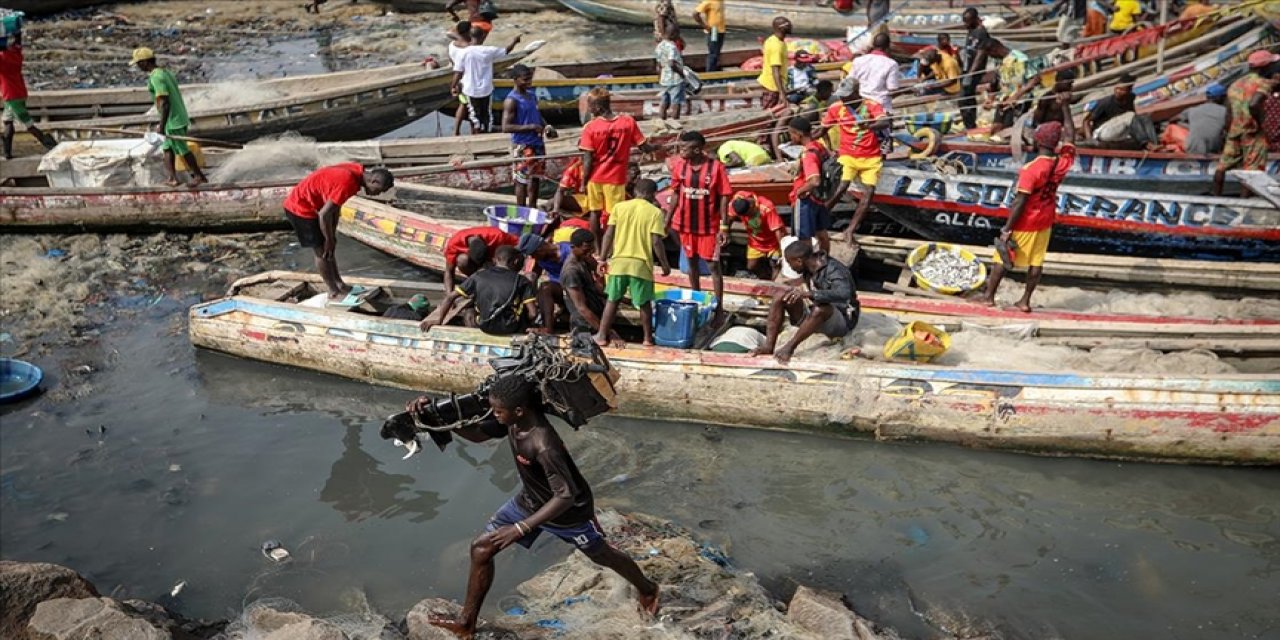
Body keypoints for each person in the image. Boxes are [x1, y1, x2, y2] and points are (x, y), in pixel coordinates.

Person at [420, 374, 660, 639]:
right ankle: (466, 624)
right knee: (481, 548)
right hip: (530, 501)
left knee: (601, 555)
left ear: (519, 410)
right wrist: (436, 418)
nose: (493, 414)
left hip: (569, 513)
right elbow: (478, 435)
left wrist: (520, 528)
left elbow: (565, 495)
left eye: (498, 411)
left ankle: (648, 589)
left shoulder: (543, 444)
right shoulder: (513, 422)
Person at [980, 105, 1076, 313]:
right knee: (1036, 262)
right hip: (1046, 219)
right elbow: (1071, 136)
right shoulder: (1062, 163)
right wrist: (1065, 107)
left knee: (1002, 256)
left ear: (1037, 141)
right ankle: (1024, 301)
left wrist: (1007, 229)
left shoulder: (1031, 169)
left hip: (1027, 221)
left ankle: (988, 298)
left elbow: (1020, 202)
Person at [283, 164, 394, 300]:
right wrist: (328, 239)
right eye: (380, 190)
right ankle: (333, 291)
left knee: (329, 248)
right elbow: (324, 214)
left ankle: (340, 284)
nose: (378, 194)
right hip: (300, 208)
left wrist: (332, 235)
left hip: (316, 207)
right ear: (374, 181)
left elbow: (335, 206)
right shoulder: (348, 182)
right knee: (322, 252)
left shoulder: (356, 171)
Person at [752, 241, 859, 364]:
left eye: (789, 263)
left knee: (821, 309)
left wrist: (809, 294)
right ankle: (768, 346)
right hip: (816, 314)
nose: (790, 267)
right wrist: (783, 287)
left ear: (799, 261)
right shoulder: (809, 266)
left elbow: (844, 293)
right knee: (780, 296)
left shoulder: (835, 270)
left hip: (842, 320)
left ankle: (789, 348)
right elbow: (800, 281)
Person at [595, 179, 671, 347]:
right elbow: (656, 242)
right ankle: (647, 339)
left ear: (635, 191)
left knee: (612, 300)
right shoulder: (655, 212)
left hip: (619, 262)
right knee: (644, 303)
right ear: (653, 194)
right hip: (641, 265)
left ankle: (601, 335)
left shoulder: (619, 207)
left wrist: (602, 258)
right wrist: (664, 264)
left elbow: (608, 234)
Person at [666, 130, 732, 315]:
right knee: (691, 264)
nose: (680, 151)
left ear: (696, 150)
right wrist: (667, 219)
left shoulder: (716, 168)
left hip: (709, 227)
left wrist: (724, 227)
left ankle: (719, 308)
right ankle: (696, 300)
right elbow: (676, 193)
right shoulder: (680, 166)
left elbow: (724, 197)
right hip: (686, 225)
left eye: (684, 148)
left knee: (713, 266)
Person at [820, 79, 890, 246]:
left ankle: (850, 230)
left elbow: (885, 122)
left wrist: (870, 125)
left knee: (869, 193)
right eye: (841, 96)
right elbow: (822, 130)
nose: (842, 99)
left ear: (856, 93)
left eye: (846, 96)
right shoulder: (836, 108)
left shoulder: (872, 105)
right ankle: (820, 217)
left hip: (871, 156)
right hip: (848, 155)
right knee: (841, 187)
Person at [579, 88, 651, 248]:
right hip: (616, 178)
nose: (588, 109)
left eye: (590, 106)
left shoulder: (590, 127)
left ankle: (598, 249)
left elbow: (588, 159)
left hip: (595, 178)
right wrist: (657, 148)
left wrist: (584, 182)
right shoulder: (628, 122)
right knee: (615, 216)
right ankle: (614, 248)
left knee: (595, 213)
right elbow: (644, 146)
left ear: (598, 108)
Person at [131, 48, 208, 187]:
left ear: (144, 62)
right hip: (174, 117)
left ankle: (199, 176)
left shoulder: (156, 77)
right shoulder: (165, 72)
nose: (137, 67)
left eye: (138, 63)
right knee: (167, 148)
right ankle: (173, 178)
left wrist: (162, 125)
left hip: (173, 119)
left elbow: (165, 103)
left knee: (182, 149)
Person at [425, 245, 536, 335]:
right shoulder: (522, 280)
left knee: (469, 311)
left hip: (484, 326)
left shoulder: (478, 276)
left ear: (495, 260)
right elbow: (533, 313)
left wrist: (439, 320)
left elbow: (450, 297)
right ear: (516, 261)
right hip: (511, 328)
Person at [1214, 51, 1279, 195]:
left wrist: (1228, 131)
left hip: (1235, 131)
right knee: (1252, 171)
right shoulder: (1263, 83)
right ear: (1265, 67)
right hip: (1253, 132)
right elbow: (1254, 104)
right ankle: (1244, 201)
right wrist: (1261, 123)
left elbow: (1229, 112)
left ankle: (1215, 197)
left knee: (1222, 167)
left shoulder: (1235, 84)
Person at [502, 64, 554, 208]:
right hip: (522, 144)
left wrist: (547, 127)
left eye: (530, 79)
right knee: (521, 180)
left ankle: (532, 208)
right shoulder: (511, 100)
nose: (529, 82)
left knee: (535, 178)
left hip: (537, 142)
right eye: (525, 80)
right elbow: (506, 127)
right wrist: (531, 127)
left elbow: (537, 115)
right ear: (515, 79)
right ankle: (521, 210)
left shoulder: (531, 95)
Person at [453, 27, 521, 134]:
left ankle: (477, 133)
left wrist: (453, 86)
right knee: (487, 114)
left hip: (471, 89)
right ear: (483, 36)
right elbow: (506, 50)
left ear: (470, 36)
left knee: (474, 115)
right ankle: (486, 132)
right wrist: (514, 41)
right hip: (486, 88)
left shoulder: (463, 53)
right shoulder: (489, 51)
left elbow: (458, 72)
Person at [0, 33, 56, 159]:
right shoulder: (16, 55)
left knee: (28, 124)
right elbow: (17, 45)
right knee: (7, 121)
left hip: (11, 96)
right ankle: (7, 152)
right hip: (19, 93)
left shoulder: (3, 61)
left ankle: (50, 144)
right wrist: (16, 35)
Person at [558, 229, 619, 342]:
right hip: (585, 325)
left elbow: (597, 285)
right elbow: (581, 308)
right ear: (573, 247)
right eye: (586, 249)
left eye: (592, 248)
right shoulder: (571, 271)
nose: (591, 252)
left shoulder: (584, 259)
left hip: (597, 314)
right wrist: (606, 332)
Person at [786, 117, 832, 254]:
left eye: (791, 133)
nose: (790, 137)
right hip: (819, 198)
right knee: (822, 233)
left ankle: (808, 264)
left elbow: (814, 180)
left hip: (806, 200)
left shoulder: (809, 154)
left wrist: (800, 191)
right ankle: (824, 259)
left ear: (798, 134)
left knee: (804, 239)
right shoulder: (819, 146)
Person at [983, 39, 1038, 142]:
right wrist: (990, 98)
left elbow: (1034, 80)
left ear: (995, 50)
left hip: (1020, 100)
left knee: (1008, 133)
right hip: (1004, 100)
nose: (991, 57)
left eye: (990, 55)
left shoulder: (1020, 58)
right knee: (995, 131)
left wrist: (1015, 97)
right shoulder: (999, 60)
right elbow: (996, 80)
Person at [518, 231, 572, 333]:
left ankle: (548, 328)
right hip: (560, 290)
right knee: (539, 289)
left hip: (574, 287)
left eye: (534, 255)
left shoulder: (568, 251)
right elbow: (535, 274)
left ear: (540, 249)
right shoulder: (541, 259)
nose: (534, 258)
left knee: (545, 287)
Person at [726, 191, 788, 280]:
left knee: (775, 264)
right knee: (751, 266)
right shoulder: (736, 202)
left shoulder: (767, 207)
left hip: (773, 242)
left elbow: (778, 230)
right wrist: (725, 231)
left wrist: (784, 250)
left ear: (752, 206)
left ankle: (773, 283)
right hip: (755, 241)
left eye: (748, 214)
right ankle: (765, 278)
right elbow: (730, 217)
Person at [442, 226, 520, 293]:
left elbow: (518, 244)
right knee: (462, 260)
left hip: (495, 263)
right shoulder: (454, 244)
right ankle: (478, 282)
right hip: (476, 264)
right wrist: (449, 295)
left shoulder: (497, 235)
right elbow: (449, 271)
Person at [847, 32, 899, 112]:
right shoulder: (891, 64)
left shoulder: (858, 60)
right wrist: (907, 91)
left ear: (873, 45)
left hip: (861, 105)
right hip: (881, 107)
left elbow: (849, 82)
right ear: (888, 47)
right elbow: (892, 89)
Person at [959, 8, 992, 132]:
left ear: (974, 19)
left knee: (964, 98)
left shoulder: (981, 33)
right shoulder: (971, 30)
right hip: (966, 69)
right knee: (966, 98)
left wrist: (971, 74)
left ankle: (970, 126)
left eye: (967, 21)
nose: (965, 24)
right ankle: (969, 124)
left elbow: (980, 55)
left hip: (974, 71)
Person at [1083, 73, 1136, 141]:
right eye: (1117, 88)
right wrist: (1090, 139)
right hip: (1103, 132)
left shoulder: (1130, 97)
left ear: (1129, 90)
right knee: (1131, 115)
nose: (1118, 91)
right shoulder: (1105, 102)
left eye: (1122, 90)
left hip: (1117, 130)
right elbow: (1086, 121)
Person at [1177, 83, 1227, 154]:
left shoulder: (1193, 109)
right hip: (1212, 151)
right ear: (1220, 98)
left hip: (1191, 150)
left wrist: (1188, 126)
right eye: (1225, 97)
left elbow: (1173, 119)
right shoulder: (1225, 112)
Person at [757, 17, 792, 112]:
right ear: (780, 28)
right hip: (772, 87)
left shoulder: (774, 40)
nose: (790, 26)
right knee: (770, 113)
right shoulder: (776, 46)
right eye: (787, 24)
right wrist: (781, 93)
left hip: (774, 85)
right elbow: (775, 71)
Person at [448, 20, 475, 137]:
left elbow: (451, 62)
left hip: (458, 79)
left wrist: (454, 84)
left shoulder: (451, 45)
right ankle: (472, 130)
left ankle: (457, 131)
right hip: (468, 79)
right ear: (468, 31)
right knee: (470, 105)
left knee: (464, 104)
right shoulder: (468, 48)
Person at [655, 22, 686, 121]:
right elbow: (672, 63)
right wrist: (682, 73)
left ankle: (662, 120)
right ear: (674, 34)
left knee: (664, 101)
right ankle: (675, 122)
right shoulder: (672, 47)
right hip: (675, 79)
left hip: (664, 79)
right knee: (676, 102)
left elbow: (658, 65)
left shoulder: (659, 46)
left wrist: (660, 77)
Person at [693, 0, 726, 72]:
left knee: (717, 53)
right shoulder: (708, 1)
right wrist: (705, 26)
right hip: (713, 31)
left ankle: (713, 71)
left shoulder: (721, 1)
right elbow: (695, 14)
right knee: (713, 53)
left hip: (721, 30)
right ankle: (709, 72)